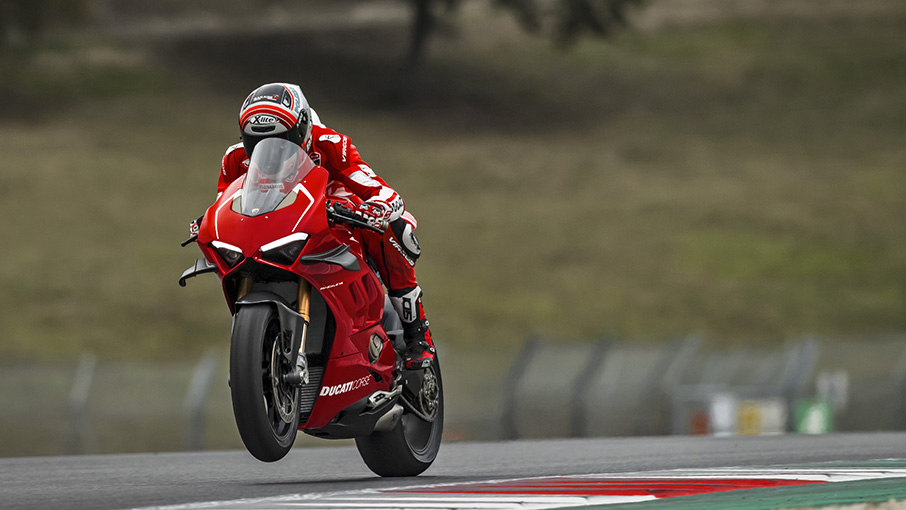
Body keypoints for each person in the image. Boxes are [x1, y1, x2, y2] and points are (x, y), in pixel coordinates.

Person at [208, 83, 435, 370]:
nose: (272, 152)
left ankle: (417, 334)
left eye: (284, 140)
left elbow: (373, 186)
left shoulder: (329, 143)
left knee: (392, 229)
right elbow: (224, 205)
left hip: (332, 213)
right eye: (257, 142)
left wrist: (378, 205)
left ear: (302, 130)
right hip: (275, 228)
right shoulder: (234, 159)